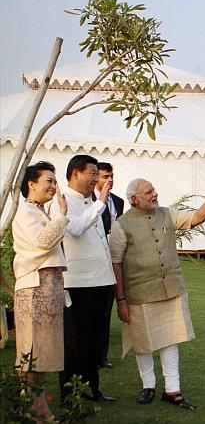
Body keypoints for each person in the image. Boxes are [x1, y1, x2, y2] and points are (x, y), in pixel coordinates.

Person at [109, 169, 205, 409]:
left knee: (170, 339)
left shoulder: (166, 214)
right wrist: (120, 300)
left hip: (171, 289)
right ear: (135, 199)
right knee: (142, 342)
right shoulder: (121, 225)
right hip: (138, 293)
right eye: (149, 192)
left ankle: (173, 391)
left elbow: (196, 218)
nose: (155, 194)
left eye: (153, 190)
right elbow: (116, 263)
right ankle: (148, 386)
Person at [48, 154, 116, 403]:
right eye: (93, 173)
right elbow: (75, 229)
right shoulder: (61, 201)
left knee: (95, 340)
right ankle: (70, 393)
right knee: (75, 341)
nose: (96, 179)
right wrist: (101, 203)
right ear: (76, 173)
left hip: (100, 280)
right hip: (77, 282)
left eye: (98, 174)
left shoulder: (91, 200)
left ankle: (91, 389)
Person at [11, 162, 68, 420]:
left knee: (44, 348)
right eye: (49, 181)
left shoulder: (39, 212)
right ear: (31, 184)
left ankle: (32, 400)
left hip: (47, 287)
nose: (54, 187)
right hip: (35, 287)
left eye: (55, 182)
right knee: (32, 347)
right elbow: (43, 242)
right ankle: (34, 403)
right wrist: (62, 216)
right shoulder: (25, 212)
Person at [93, 162, 125, 370]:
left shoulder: (119, 202)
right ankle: (91, 354)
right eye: (105, 176)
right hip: (95, 259)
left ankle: (101, 356)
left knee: (106, 310)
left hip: (113, 258)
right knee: (93, 311)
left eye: (111, 176)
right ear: (96, 178)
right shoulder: (89, 201)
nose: (109, 180)